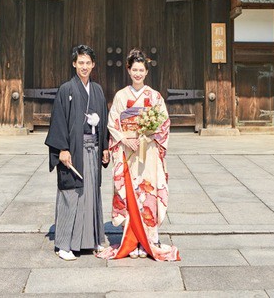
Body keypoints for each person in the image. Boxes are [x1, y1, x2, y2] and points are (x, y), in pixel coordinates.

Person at [97, 48, 179, 261]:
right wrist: (124, 139)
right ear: (128, 70)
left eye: (141, 70)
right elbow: (113, 122)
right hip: (127, 151)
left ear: (146, 72)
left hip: (148, 151)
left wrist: (147, 135)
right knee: (130, 194)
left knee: (148, 193)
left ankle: (149, 240)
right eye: (134, 70)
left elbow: (164, 123)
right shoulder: (121, 96)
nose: (138, 74)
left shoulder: (155, 96)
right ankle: (132, 241)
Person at [45, 44, 110, 261]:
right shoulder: (66, 89)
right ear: (74, 64)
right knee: (71, 193)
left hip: (93, 149)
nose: (84, 66)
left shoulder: (97, 90)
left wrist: (105, 147)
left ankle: (92, 241)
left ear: (93, 65)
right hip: (73, 150)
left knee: (91, 194)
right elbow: (58, 120)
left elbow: (104, 119)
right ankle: (64, 244)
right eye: (80, 62)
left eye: (87, 63)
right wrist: (62, 149)